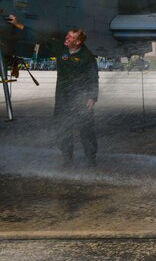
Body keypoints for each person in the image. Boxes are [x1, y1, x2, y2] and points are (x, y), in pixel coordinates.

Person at [5, 15, 99, 166]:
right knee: (63, 130)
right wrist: (17, 24)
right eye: (68, 35)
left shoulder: (86, 56)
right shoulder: (60, 48)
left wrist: (92, 97)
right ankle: (67, 158)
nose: (66, 37)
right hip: (63, 98)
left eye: (71, 37)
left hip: (82, 99)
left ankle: (90, 159)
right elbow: (39, 37)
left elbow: (93, 77)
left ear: (78, 42)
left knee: (86, 130)